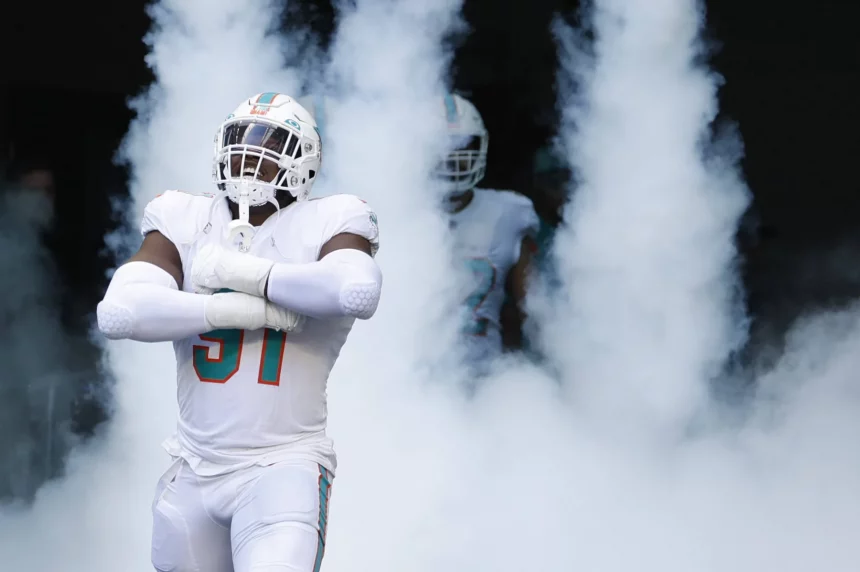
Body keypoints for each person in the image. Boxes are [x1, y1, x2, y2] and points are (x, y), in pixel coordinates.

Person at [96, 92, 382, 572]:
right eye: (241, 144)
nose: (251, 158)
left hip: (283, 463)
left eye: (270, 147)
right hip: (193, 466)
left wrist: (241, 271)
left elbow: (356, 291)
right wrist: (238, 310)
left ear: (305, 161)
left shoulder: (331, 218)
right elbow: (119, 313)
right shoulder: (185, 216)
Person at [436, 93, 540, 373]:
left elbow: (530, 309)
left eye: (462, 147)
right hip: (412, 382)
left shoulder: (511, 213)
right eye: (442, 147)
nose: (452, 158)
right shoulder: (390, 211)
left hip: (484, 377)